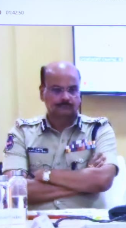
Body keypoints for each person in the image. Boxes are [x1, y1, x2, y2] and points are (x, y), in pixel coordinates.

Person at [2, 61, 118, 210]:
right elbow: (14, 191)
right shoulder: (22, 133)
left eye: (72, 89)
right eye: (57, 90)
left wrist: (46, 175)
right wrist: (85, 183)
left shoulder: (99, 129)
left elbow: (102, 180)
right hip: (36, 223)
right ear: (42, 93)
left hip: (87, 223)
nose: (65, 97)